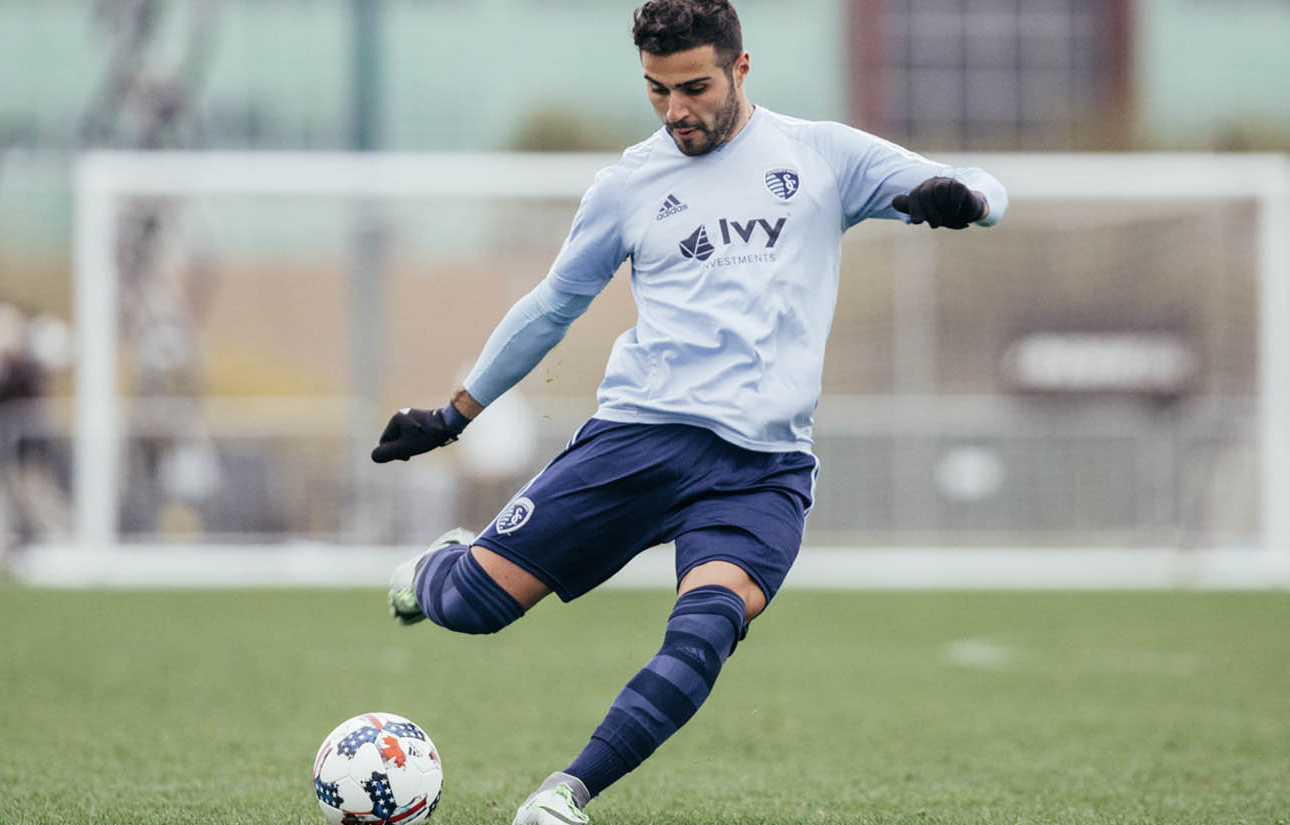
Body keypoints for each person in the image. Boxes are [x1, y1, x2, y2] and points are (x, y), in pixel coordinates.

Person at [371, 1, 1007, 822]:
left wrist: (960, 199)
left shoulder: (820, 156)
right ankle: (438, 569)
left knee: (705, 629)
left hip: (761, 469)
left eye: (694, 88)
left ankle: (564, 794)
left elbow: (985, 187)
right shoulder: (628, 183)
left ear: (740, 68)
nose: (675, 110)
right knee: (472, 609)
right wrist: (453, 415)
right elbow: (552, 306)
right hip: (639, 440)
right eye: (656, 90)